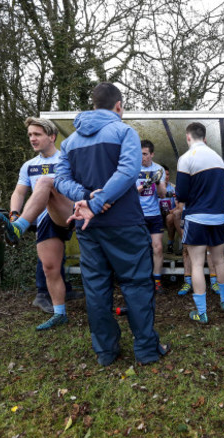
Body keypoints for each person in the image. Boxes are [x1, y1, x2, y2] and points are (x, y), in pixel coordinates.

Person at [54, 82, 168, 366]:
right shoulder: (124, 131)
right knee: (138, 285)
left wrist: (84, 197)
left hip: (88, 228)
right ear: (119, 106)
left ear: (93, 105)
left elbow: (60, 180)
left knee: (96, 289)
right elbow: (129, 171)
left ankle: (106, 352)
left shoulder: (69, 142)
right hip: (125, 224)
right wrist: (94, 202)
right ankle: (146, 350)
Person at [0, 117, 75, 331]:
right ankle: (60, 313)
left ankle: (18, 228)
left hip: (71, 211)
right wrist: (13, 214)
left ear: (52, 137)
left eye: (37, 134)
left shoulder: (67, 159)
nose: (32, 138)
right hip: (46, 218)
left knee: (46, 181)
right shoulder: (29, 166)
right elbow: (19, 192)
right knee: (49, 267)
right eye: (30, 135)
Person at [176, 122, 224, 323]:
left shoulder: (186, 159)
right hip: (217, 217)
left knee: (197, 264)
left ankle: (202, 312)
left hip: (196, 217)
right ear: (205, 138)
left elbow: (181, 194)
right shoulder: (218, 159)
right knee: (219, 261)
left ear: (188, 137)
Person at [137, 140, 167, 294]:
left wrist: (159, 183)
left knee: (158, 247)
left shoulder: (158, 169)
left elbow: (162, 195)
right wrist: (147, 184)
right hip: (137, 215)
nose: (142, 157)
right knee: (139, 248)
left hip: (154, 214)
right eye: (140, 154)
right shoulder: (133, 168)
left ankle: (157, 280)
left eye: (145, 154)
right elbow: (130, 192)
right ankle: (141, 281)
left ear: (152, 154)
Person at [159, 165, 178, 254]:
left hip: (169, 214)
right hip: (157, 215)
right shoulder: (154, 188)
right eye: (164, 175)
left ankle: (170, 244)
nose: (166, 177)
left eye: (167, 174)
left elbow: (178, 206)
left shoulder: (173, 189)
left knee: (170, 217)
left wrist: (170, 211)